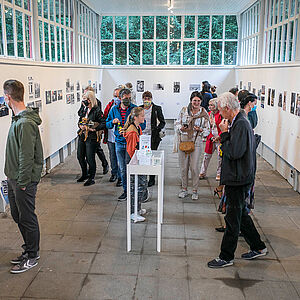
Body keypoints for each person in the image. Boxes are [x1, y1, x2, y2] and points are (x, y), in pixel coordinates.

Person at [208, 92, 267, 268]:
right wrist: (225, 136)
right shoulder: (238, 121)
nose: (220, 115)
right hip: (239, 175)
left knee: (232, 220)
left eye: (220, 110)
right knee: (241, 214)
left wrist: (225, 134)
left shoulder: (240, 123)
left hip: (238, 178)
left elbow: (234, 152)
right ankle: (258, 247)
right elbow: (236, 146)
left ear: (227, 108)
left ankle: (226, 257)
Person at [3, 79, 43, 273]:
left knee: (27, 216)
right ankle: (28, 249)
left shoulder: (25, 123)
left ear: (8, 97)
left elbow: (26, 156)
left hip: (22, 180)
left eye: (4, 97)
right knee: (17, 214)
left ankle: (33, 255)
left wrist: (24, 182)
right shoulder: (18, 119)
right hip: (14, 178)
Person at [106, 88, 144, 201]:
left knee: (133, 168)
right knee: (122, 169)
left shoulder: (134, 109)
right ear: (120, 98)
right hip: (119, 142)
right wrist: (112, 122)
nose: (127, 100)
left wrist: (131, 128)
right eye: (125, 98)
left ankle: (136, 191)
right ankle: (126, 191)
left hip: (132, 143)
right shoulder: (114, 109)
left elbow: (142, 124)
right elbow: (107, 124)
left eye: (129, 98)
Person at [174, 91, 209, 200]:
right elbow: (177, 123)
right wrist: (181, 128)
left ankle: (195, 190)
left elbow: (208, 129)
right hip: (183, 141)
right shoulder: (184, 111)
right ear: (191, 100)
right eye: (194, 100)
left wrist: (201, 130)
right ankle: (184, 189)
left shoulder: (204, 114)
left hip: (196, 141)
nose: (196, 103)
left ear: (201, 101)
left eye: (198, 101)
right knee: (184, 167)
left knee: (194, 167)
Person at [123, 107, 148, 222]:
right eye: (142, 116)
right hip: (134, 161)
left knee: (140, 185)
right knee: (136, 186)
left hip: (138, 160)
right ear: (135, 117)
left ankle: (137, 209)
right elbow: (131, 150)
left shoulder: (137, 128)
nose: (144, 117)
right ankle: (133, 213)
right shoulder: (132, 131)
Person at [77, 91, 106, 186]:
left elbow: (103, 123)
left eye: (85, 99)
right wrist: (80, 126)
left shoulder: (97, 110)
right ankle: (84, 174)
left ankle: (91, 177)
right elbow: (80, 120)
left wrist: (94, 129)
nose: (83, 101)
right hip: (82, 135)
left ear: (90, 100)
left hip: (92, 137)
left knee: (90, 158)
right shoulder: (84, 109)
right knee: (80, 156)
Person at [140, 91, 166, 187]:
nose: (147, 100)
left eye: (148, 98)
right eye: (145, 98)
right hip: (142, 136)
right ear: (142, 99)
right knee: (143, 156)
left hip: (153, 136)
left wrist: (157, 129)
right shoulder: (139, 108)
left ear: (151, 99)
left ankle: (151, 178)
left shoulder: (156, 108)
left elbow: (162, 121)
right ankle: (142, 176)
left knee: (152, 156)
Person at [199, 98, 222, 181]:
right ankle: (202, 172)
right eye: (209, 105)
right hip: (210, 137)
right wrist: (211, 136)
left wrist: (219, 136)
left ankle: (219, 173)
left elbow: (224, 126)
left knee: (220, 157)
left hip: (220, 138)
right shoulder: (208, 114)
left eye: (212, 105)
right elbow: (206, 126)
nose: (210, 107)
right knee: (206, 156)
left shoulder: (221, 114)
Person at [103, 87, 122, 186]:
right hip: (110, 136)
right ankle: (114, 173)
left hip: (120, 137)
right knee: (112, 156)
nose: (116, 98)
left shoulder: (125, 108)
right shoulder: (110, 106)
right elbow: (106, 120)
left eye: (118, 96)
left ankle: (120, 176)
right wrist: (111, 122)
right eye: (115, 96)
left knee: (120, 158)